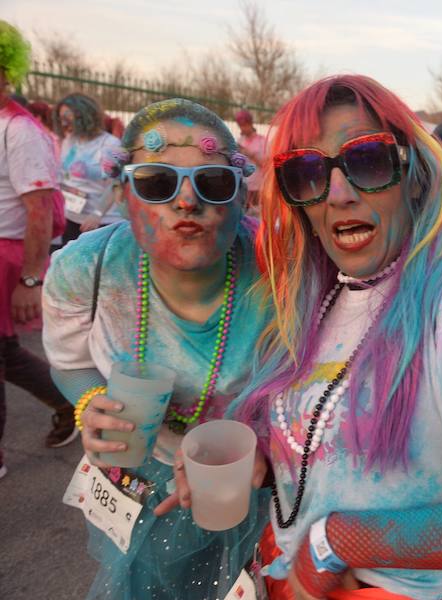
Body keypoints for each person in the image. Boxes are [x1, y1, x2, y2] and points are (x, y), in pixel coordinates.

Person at [233, 74, 442, 600]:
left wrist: (338, 542)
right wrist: (263, 453)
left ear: (415, 177)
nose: (338, 194)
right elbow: (324, 435)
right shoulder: (318, 294)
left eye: (367, 161)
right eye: (307, 172)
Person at [42, 97, 268, 599]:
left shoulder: (282, 272)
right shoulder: (85, 268)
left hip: (242, 479)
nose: (186, 202)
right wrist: (86, 405)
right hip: (134, 473)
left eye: (211, 183)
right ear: (125, 193)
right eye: (156, 183)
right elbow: (69, 362)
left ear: (241, 198)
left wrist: (271, 446)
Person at [0, 21, 76, 481]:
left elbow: (40, 209)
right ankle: (70, 400)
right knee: (5, 354)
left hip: (8, 255)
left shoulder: (20, 131)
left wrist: (32, 277)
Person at [54, 93, 122, 244]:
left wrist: (97, 214)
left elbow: (116, 183)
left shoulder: (111, 144)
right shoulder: (69, 141)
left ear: (85, 116)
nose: (64, 124)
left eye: (68, 118)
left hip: (100, 222)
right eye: (61, 119)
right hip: (71, 218)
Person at [235, 109, 267, 215]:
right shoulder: (240, 141)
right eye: (240, 125)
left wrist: (250, 154)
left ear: (250, 123)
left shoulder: (262, 141)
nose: (242, 128)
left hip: (258, 187)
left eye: (244, 125)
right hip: (244, 185)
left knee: (257, 214)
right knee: (244, 215)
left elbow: (266, 165)